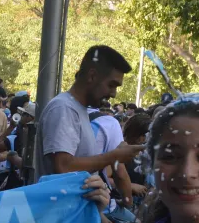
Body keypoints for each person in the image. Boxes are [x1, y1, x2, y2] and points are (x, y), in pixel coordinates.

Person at [39, 45, 143, 178]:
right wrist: (115, 156)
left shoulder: (77, 109)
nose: (114, 94)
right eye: (111, 85)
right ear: (92, 76)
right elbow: (63, 166)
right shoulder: (63, 108)